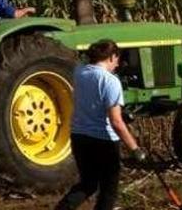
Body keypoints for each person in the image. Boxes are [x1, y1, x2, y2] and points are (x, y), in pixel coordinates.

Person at [55, 39, 147, 210]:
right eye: (117, 59)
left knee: (88, 184)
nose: (118, 64)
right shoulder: (110, 81)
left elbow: (94, 101)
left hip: (79, 137)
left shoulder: (79, 72)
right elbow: (116, 122)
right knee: (108, 190)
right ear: (112, 57)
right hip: (103, 142)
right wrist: (135, 149)